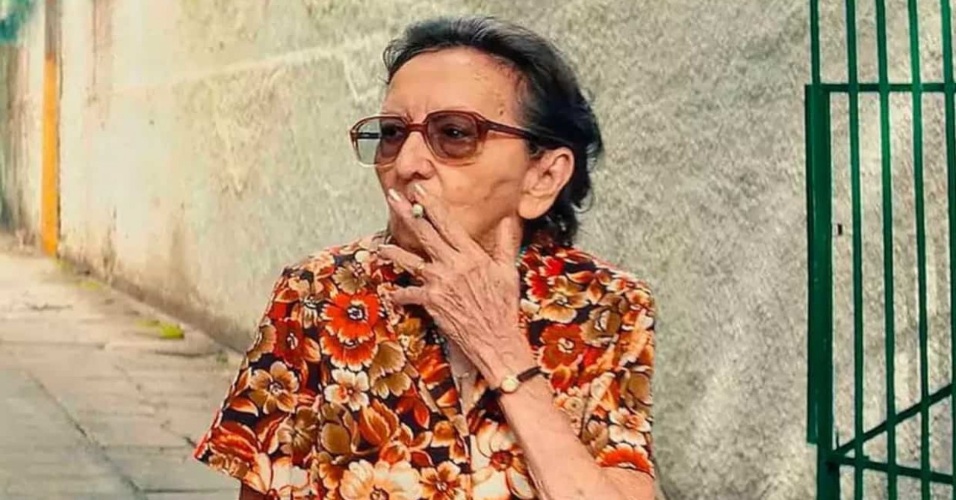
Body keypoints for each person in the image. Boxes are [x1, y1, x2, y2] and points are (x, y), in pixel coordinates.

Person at [193, 15, 657, 500]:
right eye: (393, 134)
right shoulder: (319, 293)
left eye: (454, 133)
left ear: (542, 177)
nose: (407, 164)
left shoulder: (606, 306)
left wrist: (501, 350)